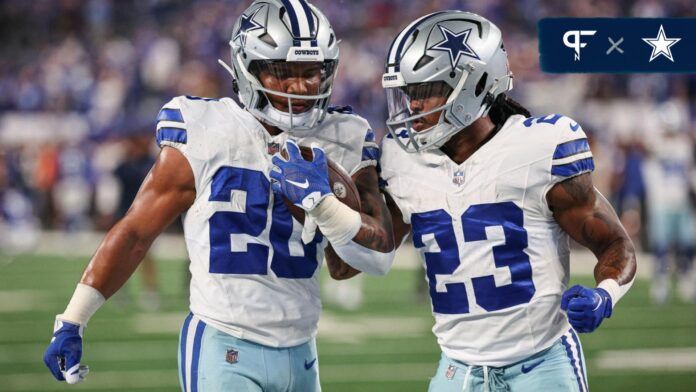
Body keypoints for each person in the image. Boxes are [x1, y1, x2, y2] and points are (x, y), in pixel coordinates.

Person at [43, 1, 395, 390]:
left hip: (302, 348)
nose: (300, 86)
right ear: (248, 68)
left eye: (312, 72)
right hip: (223, 341)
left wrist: (326, 207)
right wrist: (73, 318)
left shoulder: (343, 134)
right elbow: (135, 233)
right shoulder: (206, 129)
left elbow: (365, 262)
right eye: (283, 72)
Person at [379, 11, 636, 391]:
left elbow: (616, 243)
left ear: (474, 85)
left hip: (542, 364)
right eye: (408, 92)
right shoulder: (401, 159)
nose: (413, 105)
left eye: (425, 89)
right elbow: (370, 249)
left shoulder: (539, 147)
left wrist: (605, 295)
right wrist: (328, 201)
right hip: (458, 369)